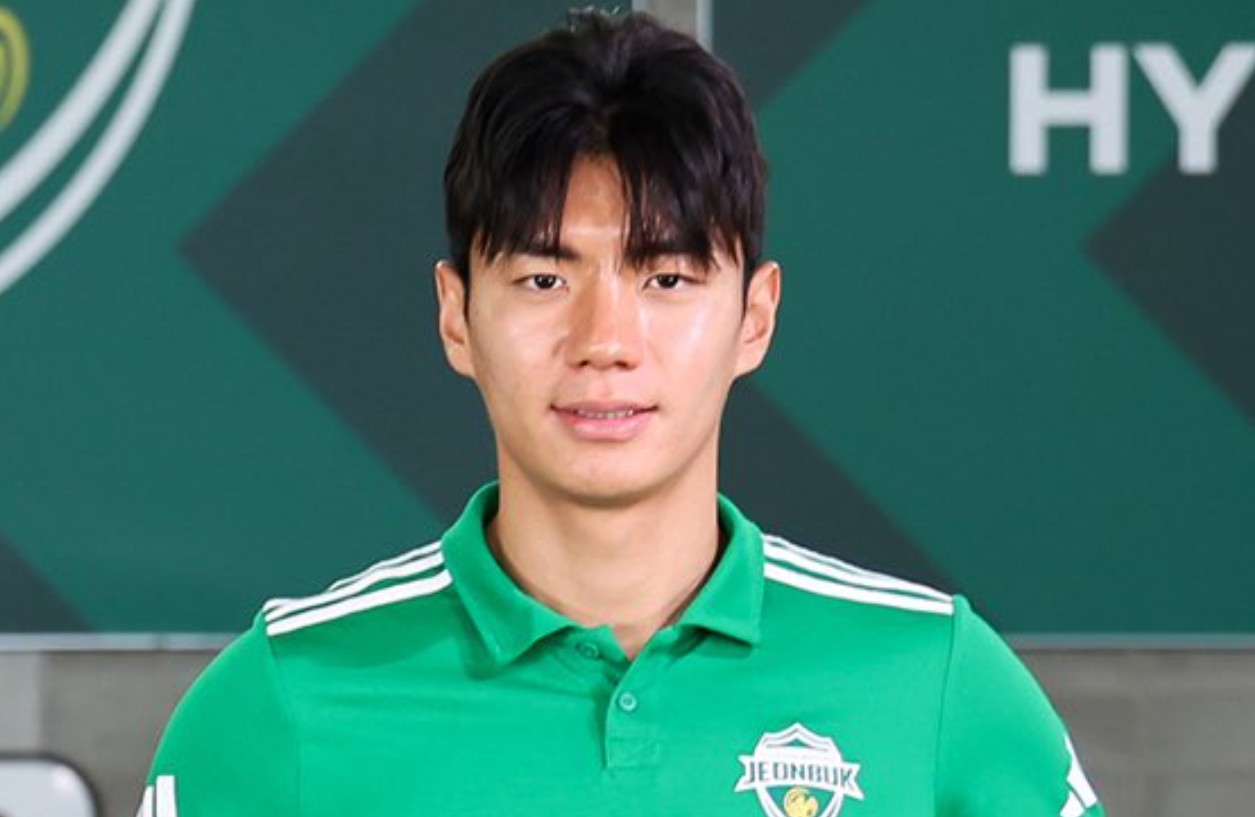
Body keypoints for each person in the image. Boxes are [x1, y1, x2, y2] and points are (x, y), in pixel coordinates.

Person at [136, 11, 1104, 817]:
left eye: (666, 277)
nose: (605, 340)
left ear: (755, 317)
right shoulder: (283, 700)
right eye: (544, 277)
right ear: (456, 315)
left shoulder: (932, 681)